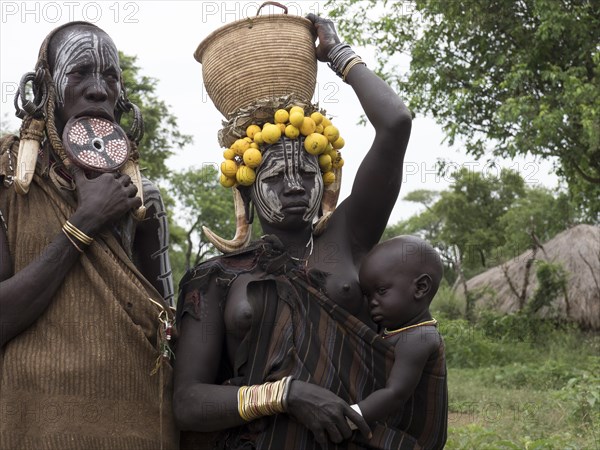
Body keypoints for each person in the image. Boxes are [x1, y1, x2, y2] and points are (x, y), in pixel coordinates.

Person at [174, 14, 414, 450]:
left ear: (325, 181)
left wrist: (337, 54)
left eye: (307, 173)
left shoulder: (348, 238)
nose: (293, 186)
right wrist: (285, 394)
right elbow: (189, 402)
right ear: (246, 188)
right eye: (275, 178)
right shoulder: (215, 278)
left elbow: (396, 123)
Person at [0, 22, 178, 449]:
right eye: (79, 73)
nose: (99, 89)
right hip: (36, 428)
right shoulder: (7, 181)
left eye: (111, 78)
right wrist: (84, 223)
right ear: (43, 91)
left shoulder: (143, 201)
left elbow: (166, 332)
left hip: (140, 426)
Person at [357, 235, 448, 449]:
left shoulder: (419, 337)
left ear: (420, 288)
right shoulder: (399, 331)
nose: (372, 303)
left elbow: (395, 393)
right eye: (367, 295)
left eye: (381, 291)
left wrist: (351, 414)